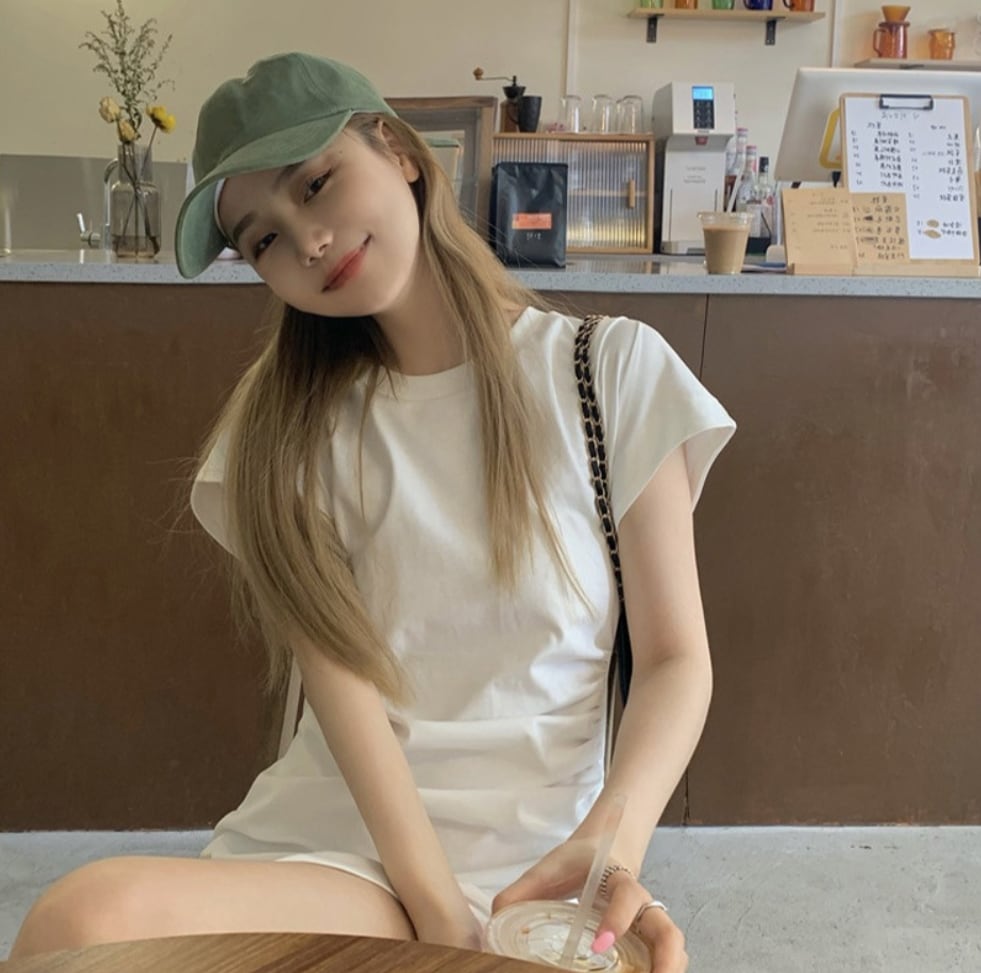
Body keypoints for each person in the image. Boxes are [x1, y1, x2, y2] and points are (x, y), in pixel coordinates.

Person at [11, 53, 735, 971]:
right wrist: (439, 919)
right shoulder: (280, 429)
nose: (307, 242)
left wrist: (611, 845)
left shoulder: (609, 373)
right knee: (79, 922)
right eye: (263, 240)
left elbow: (674, 660)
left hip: (537, 873)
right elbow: (343, 691)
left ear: (395, 148)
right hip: (343, 861)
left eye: (314, 184)